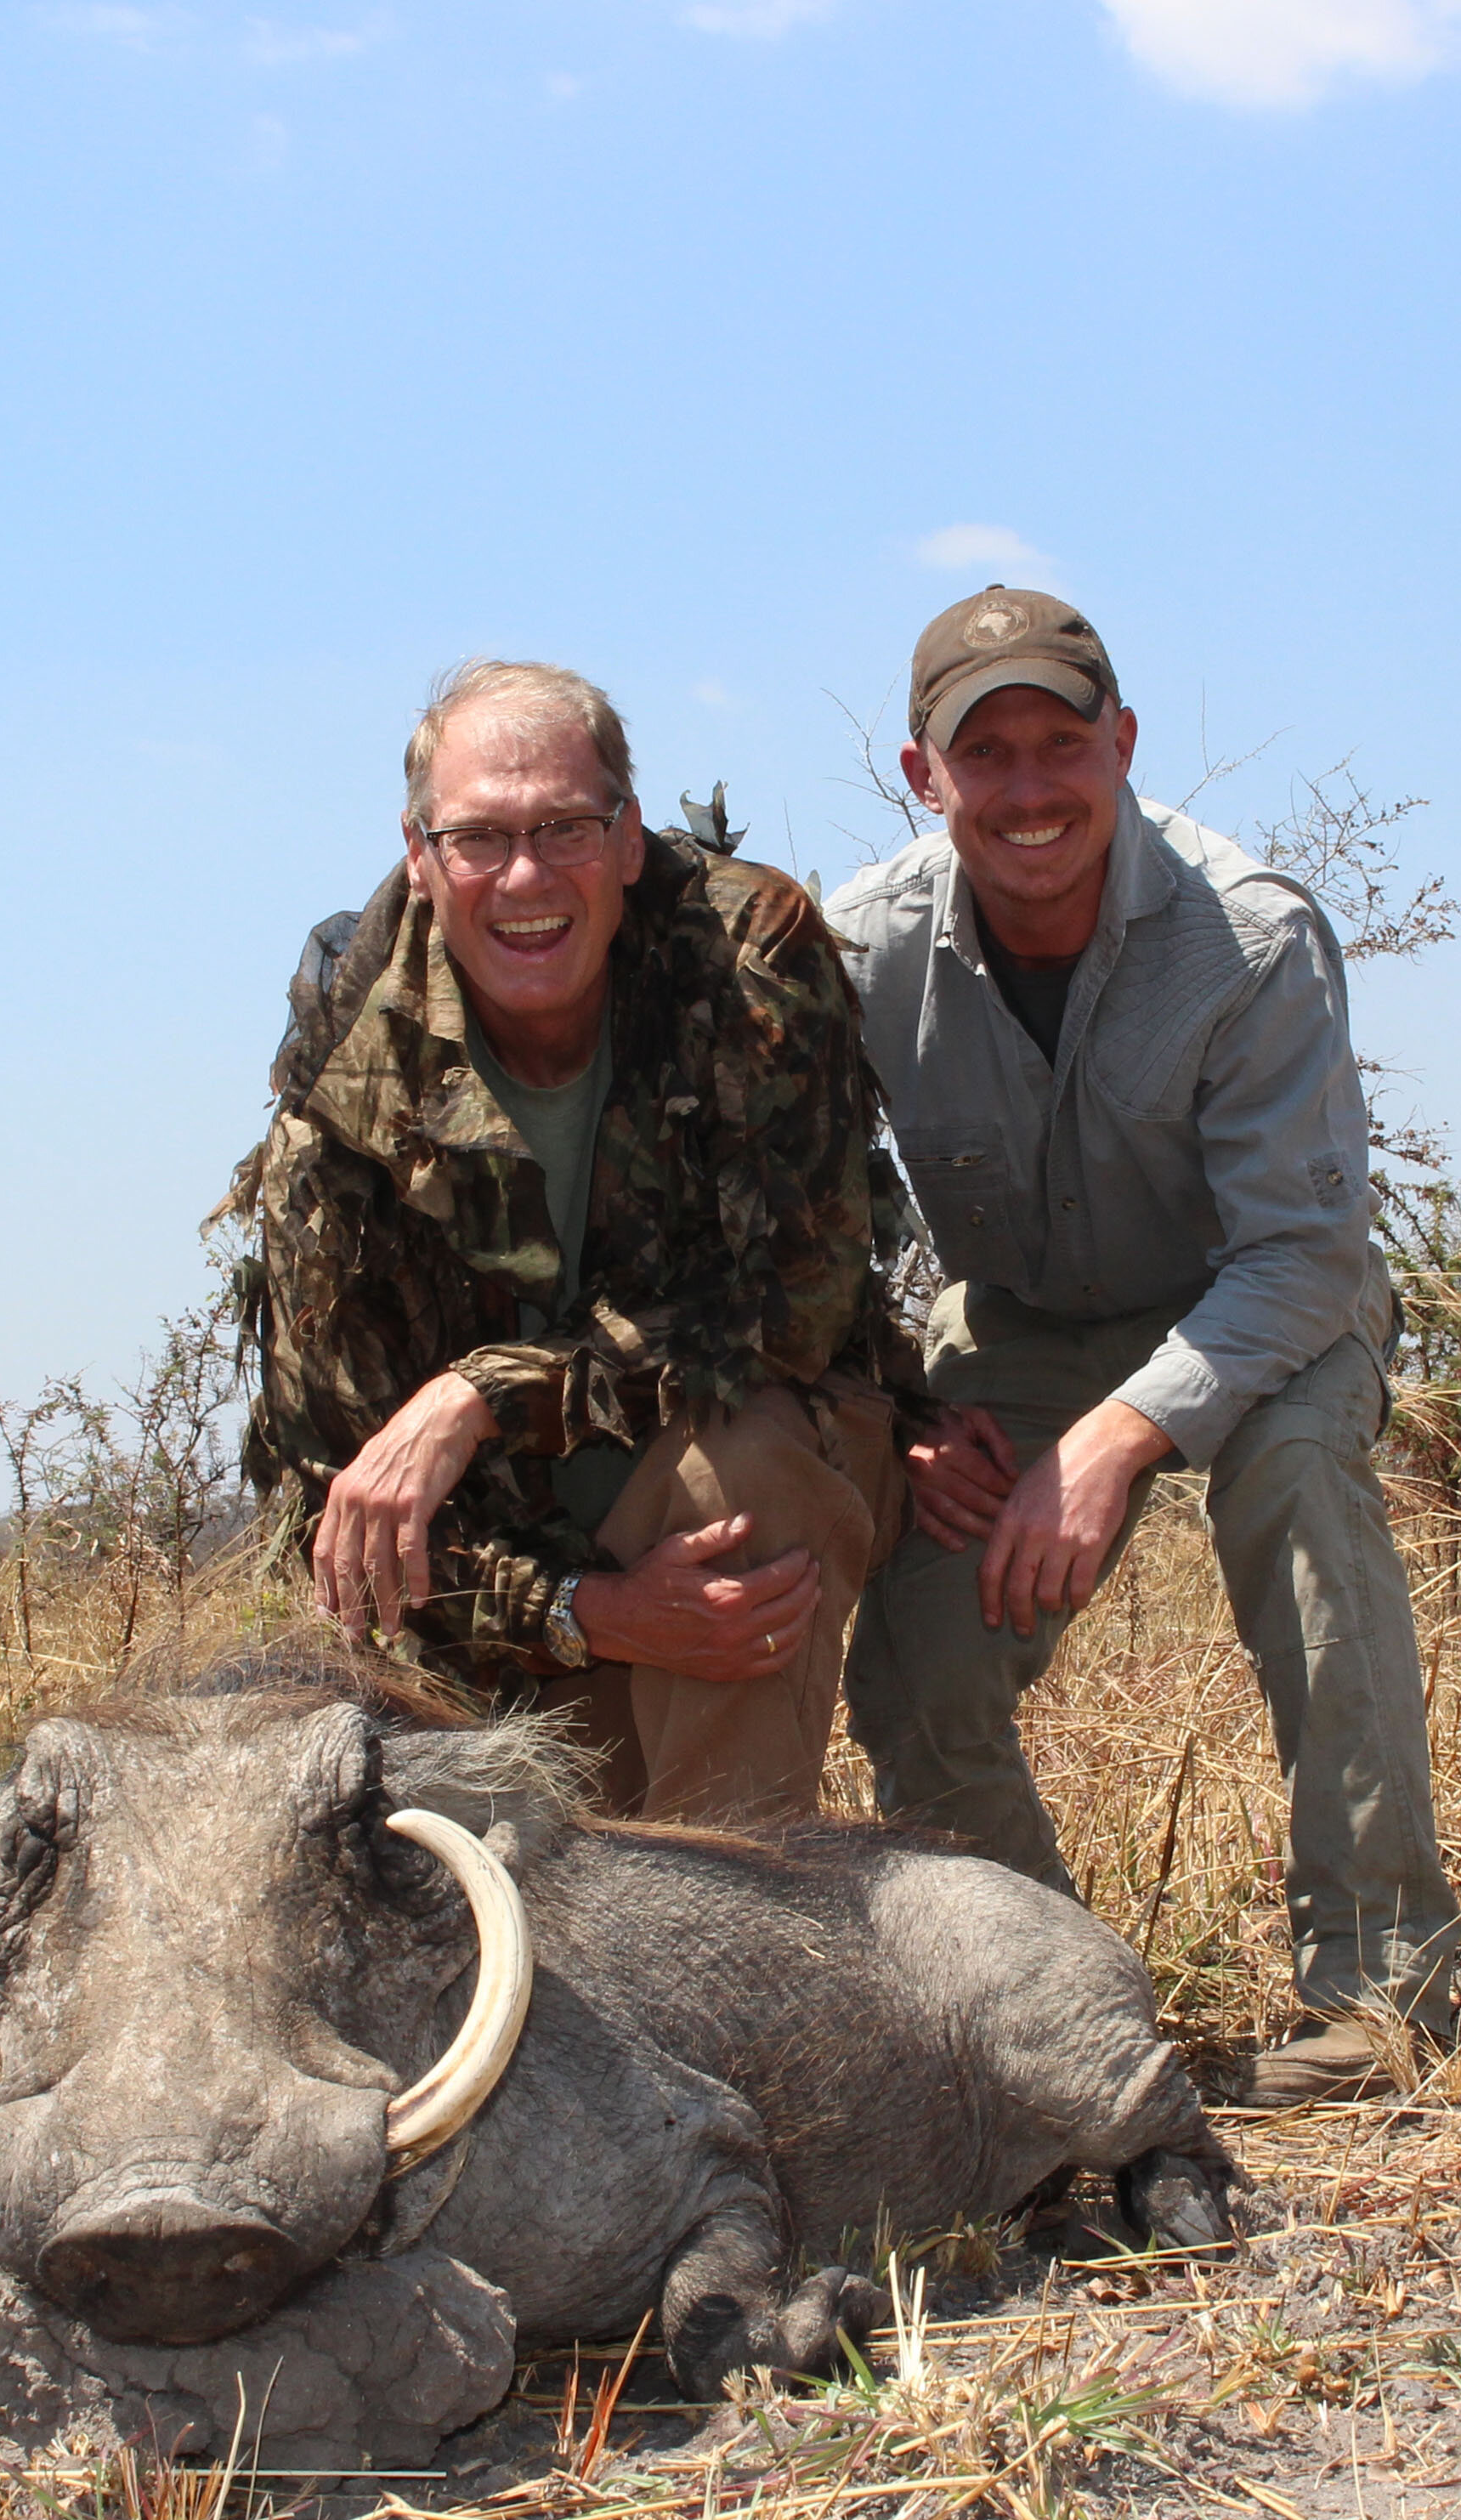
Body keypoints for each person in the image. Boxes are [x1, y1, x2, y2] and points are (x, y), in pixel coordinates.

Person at [825, 586, 1457, 2105]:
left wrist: (1115, 1443)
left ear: (1121, 744)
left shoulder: (1249, 933)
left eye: (1062, 744)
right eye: (989, 758)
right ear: (926, 776)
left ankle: (1388, 1998)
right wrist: (904, 1411)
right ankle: (1059, 2024)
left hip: (1258, 1310)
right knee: (916, 1646)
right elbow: (809, 1240)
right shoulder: (857, 954)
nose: (1031, 790)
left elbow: (1303, 1254)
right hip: (1016, 1326)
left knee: (1302, 1488)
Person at [220, 658, 914, 1821]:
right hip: (514, 1581)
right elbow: (336, 1501)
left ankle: (728, 1967)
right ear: (420, 853)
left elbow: (792, 1306)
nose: (526, 876)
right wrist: (584, 1613)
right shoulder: (347, 1079)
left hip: (738, 1481)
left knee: (745, 1485)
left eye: (568, 828)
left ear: (631, 839)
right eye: (481, 839)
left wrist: (481, 1395)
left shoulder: (750, 962)